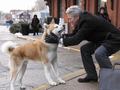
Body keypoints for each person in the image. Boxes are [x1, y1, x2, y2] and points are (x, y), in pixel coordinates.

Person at [45, 5, 120, 83]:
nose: (69, 21)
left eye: (70, 18)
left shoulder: (87, 21)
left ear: (77, 17)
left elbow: (76, 39)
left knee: (100, 53)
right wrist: (59, 37)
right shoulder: (81, 21)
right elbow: (74, 34)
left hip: (114, 39)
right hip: (102, 40)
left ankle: (111, 79)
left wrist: (58, 41)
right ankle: (92, 75)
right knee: (85, 49)